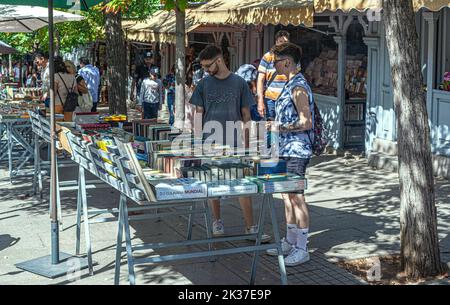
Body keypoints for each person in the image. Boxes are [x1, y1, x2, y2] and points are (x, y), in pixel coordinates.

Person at [190, 45, 271, 242]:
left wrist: (245, 143)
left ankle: (250, 226)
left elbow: (245, 115)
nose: (206, 70)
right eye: (203, 67)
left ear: (219, 60)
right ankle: (217, 221)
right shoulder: (203, 84)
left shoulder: (239, 83)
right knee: (212, 182)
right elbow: (198, 113)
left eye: (208, 66)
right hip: (210, 141)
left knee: (242, 184)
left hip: (235, 142)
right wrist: (197, 140)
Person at [264, 42, 314, 266]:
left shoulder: (299, 87)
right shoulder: (289, 84)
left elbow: (306, 121)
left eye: (276, 62)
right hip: (285, 148)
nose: (273, 66)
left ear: (287, 62)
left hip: (297, 150)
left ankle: (302, 247)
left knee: (296, 196)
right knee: (286, 195)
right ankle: (290, 239)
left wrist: (279, 127)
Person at [256, 30, 291, 121]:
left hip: (287, 99)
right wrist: (260, 101)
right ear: (276, 43)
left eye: (285, 42)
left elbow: (295, 78)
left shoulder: (293, 58)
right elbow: (260, 79)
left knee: (284, 127)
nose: (283, 44)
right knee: (270, 128)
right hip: (270, 99)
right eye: (280, 42)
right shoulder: (268, 57)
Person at [54, 56, 78, 122]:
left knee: (58, 126)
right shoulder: (73, 77)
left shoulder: (56, 76)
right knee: (68, 124)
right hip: (69, 104)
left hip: (58, 103)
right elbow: (76, 92)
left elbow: (54, 92)